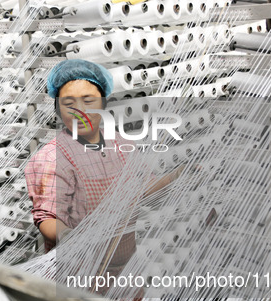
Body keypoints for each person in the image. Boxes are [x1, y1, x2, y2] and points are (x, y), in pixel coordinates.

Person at [25, 59, 183, 284]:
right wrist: (68, 235)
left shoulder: (122, 144)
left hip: (125, 272)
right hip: (79, 273)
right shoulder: (52, 158)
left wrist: (176, 176)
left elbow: (143, 187)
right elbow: (47, 216)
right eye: (69, 103)